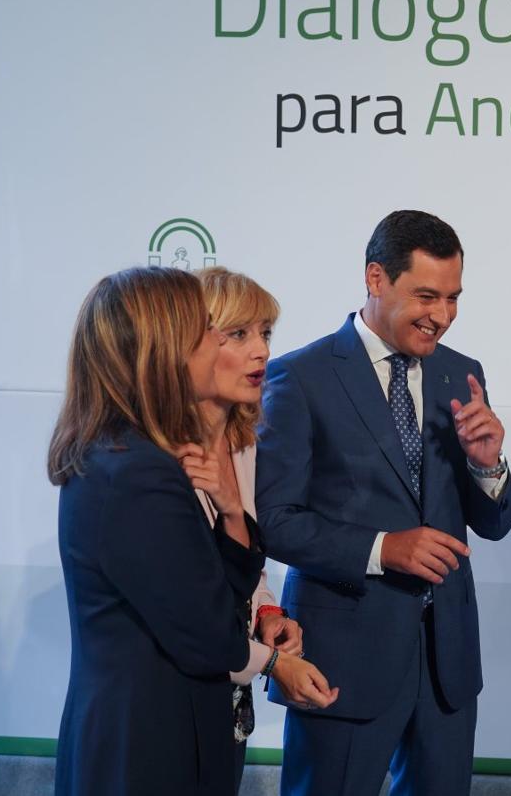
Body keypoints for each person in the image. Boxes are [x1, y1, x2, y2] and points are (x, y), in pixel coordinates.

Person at [256, 209, 511, 796]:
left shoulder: (461, 373)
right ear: (376, 279)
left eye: (453, 298)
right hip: (343, 661)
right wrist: (382, 549)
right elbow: (272, 523)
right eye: (427, 296)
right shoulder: (300, 377)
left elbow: (496, 523)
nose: (443, 316)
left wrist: (488, 464)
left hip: (447, 663)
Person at [48, 267, 337, 796]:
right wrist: (273, 661)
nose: (250, 350)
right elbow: (213, 638)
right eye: (208, 331)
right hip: (148, 749)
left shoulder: (126, 457)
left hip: (156, 735)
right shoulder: (140, 471)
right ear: (162, 351)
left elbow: (208, 601)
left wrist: (232, 516)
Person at [194, 266, 312, 792]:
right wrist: (270, 665)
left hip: (229, 698)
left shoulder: (243, 441)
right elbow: (190, 592)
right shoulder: (162, 455)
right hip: (179, 692)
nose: (261, 351)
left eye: (265, 333)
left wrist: (266, 611)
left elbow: (243, 562)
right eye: (239, 334)